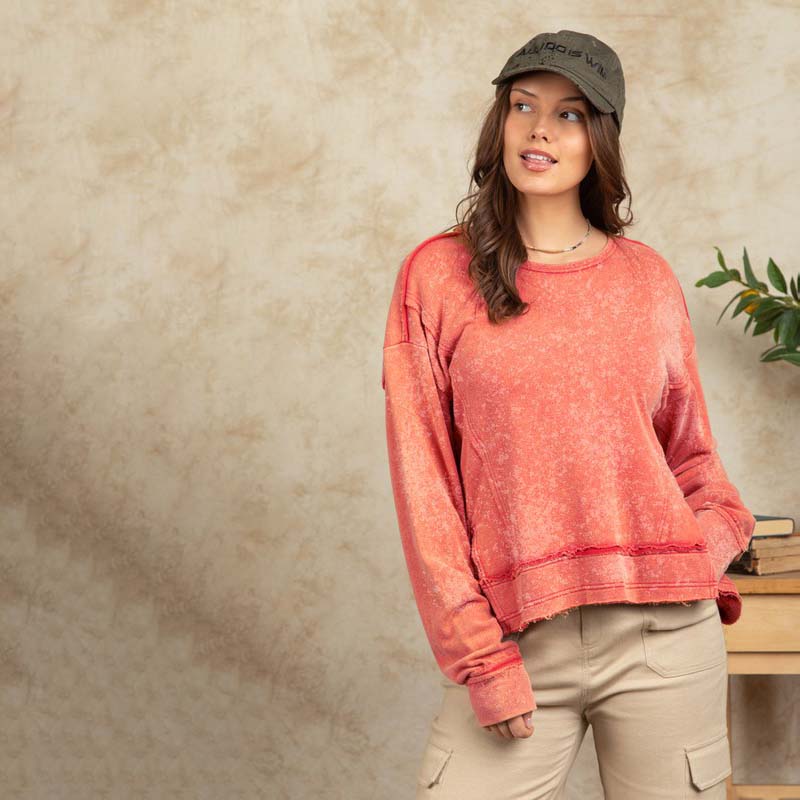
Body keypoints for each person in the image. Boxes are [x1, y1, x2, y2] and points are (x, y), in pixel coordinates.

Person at [380, 29, 756, 799]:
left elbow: (692, 460)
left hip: (663, 638)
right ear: (500, 123)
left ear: (600, 140)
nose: (541, 130)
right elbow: (426, 488)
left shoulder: (646, 279)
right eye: (523, 106)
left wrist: (701, 554)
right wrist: (481, 658)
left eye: (570, 114)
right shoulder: (437, 277)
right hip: (517, 637)